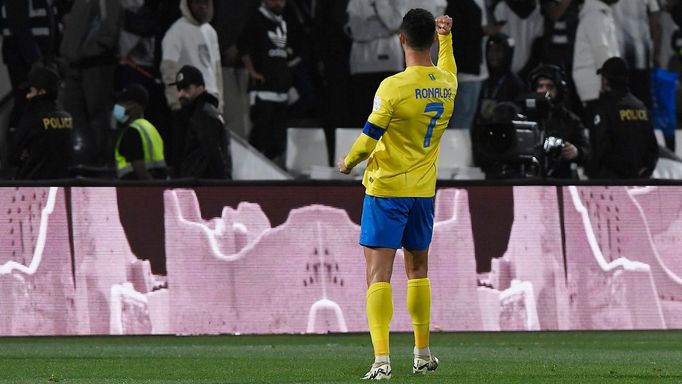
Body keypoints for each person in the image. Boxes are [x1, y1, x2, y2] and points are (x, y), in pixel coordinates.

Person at [338, 10, 456, 380]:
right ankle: (421, 353)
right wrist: (447, 38)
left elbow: (369, 137)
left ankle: (382, 361)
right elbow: (449, 67)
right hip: (423, 192)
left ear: (401, 39)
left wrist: (349, 162)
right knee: (418, 270)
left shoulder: (393, 87)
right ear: (432, 41)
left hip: (387, 190)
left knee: (378, 275)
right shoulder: (448, 84)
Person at [161, 0, 223, 170]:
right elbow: (168, 69)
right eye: (197, 3)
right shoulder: (176, 31)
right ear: (187, 4)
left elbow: (216, 70)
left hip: (209, 104)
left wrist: (220, 103)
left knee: (213, 156)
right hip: (188, 107)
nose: (203, 6)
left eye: (206, 2)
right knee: (186, 157)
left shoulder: (211, 32)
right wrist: (176, 104)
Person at [238, 0, 292, 163]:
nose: (280, 4)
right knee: (260, 137)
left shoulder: (283, 21)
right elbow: (243, 45)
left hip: (280, 91)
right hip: (263, 90)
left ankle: (271, 180)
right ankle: (252, 174)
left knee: (277, 143)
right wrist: (252, 72)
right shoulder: (256, 18)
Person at [591, 57, 659, 178]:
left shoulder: (604, 108)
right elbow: (653, 150)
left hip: (612, 183)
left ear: (605, 81)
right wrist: (641, 174)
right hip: (638, 183)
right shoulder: (641, 107)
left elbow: (602, 149)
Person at [12, 66, 73, 179]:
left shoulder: (32, 118)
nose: (27, 95)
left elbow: (12, 156)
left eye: (31, 91)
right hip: (61, 185)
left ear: (42, 92)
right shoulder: (67, 118)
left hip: (33, 187)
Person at [529, 64, 589, 178]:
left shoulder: (571, 120)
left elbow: (587, 151)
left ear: (559, 90)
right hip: (529, 180)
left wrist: (576, 152)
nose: (544, 91)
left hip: (561, 179)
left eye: (550, 86)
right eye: (540, 86)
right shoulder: (524, 118)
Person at [172, 65, 232, 179]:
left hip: (203, 187)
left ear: (200, 88)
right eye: (179, 89)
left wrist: (222, 186)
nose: (181, 94)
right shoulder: (195, 114)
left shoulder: (204, 115)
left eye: (187, 89)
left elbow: (214, 155)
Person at [572, 0, 620, 123]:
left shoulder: (599, 14)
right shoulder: (594, 15)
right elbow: (601, 50)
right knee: (600, 131)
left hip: (600, 84)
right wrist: (610, 79)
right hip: (596, 85)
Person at [113, 84, 167, 180]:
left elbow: (141, 171)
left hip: (136, 190)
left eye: (124, 103)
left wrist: (152, 190)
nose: (118, 106)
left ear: (136, 107)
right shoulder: (150, 128)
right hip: (158, 185)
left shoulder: (132, 131)